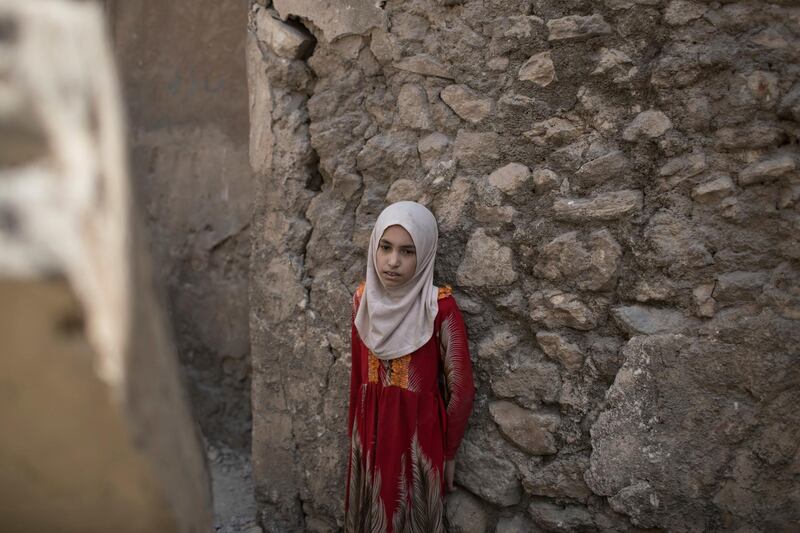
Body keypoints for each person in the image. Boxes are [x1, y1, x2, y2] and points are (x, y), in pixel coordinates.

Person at [345, 201, 475, 533]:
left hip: (417, 438)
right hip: (370, 430)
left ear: (425, 254)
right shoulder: (363, 301)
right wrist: (355, 440)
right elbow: (358, 377)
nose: (392, 261)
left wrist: (449, 454)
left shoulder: (439, 308)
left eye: (407, 251)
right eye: (385, 247)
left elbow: (460, 388)